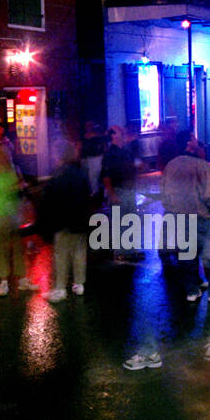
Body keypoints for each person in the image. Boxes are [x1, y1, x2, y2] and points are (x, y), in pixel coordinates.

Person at [162, 134, 210, 303]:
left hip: (180, 217)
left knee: (186, 255)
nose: (197, 141)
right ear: (188, 144)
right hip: (201, 216)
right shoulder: (200, 165)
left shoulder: (171, 165)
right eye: (193, 139)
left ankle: (192, 291)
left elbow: (165, 194)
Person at [41, 141, 92, 302]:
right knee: (79, 252)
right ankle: (79, 284)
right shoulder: (81, 172)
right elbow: (88, 193)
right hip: (80, 220)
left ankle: (60, 289)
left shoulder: (58, 174)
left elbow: (50, 199)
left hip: (63, 221)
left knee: (61, 255)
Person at [0, 148, 37, 296]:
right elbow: (21, 191)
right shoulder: (8, 172)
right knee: (16, 248)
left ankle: (6, 282)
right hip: (11, 214)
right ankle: (19, 281)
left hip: (4, 214)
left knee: (5, 249)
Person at [101, 125, 140, 261]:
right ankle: (121, 252)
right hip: (119, 190)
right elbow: (106, 176)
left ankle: (131, 250)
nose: (123, 133)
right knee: (120, 222)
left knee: (131, 220)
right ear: (113, 136)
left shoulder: (125, 151)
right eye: (119, 132)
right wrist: (112, 194)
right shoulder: (110, 154)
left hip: (128, 190)